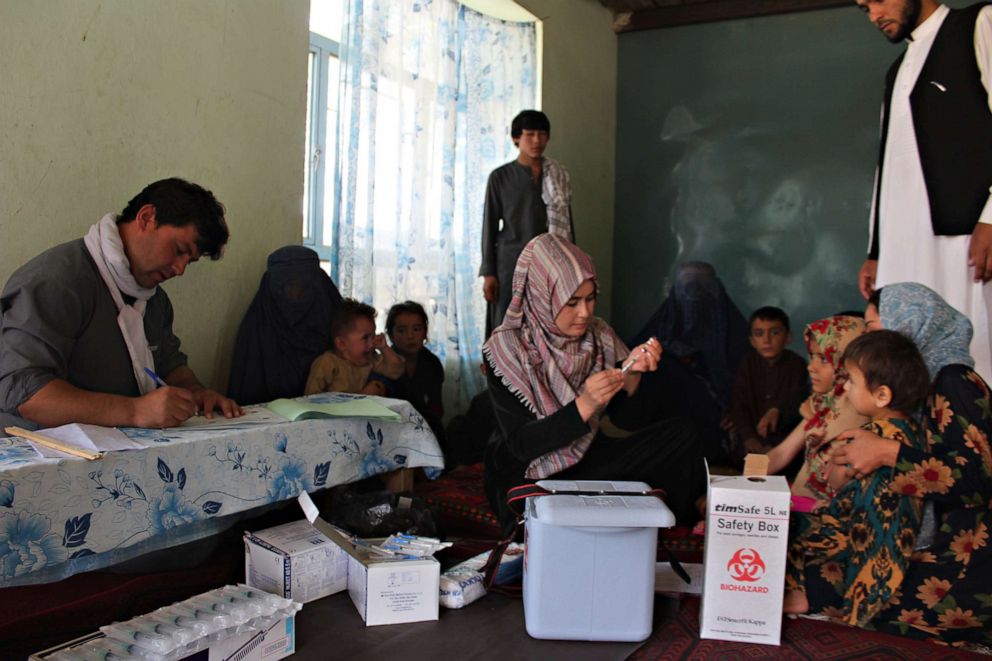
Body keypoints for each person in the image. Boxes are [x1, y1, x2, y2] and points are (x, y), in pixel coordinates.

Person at [482, 234, 703, 534]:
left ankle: (673, 526)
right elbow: (521, 445)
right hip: (530, 471)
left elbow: (629, 420)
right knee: (533, 506)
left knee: (682, 433)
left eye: (590, 298)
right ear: (541, 295)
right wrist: (584, 405)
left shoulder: (599, 336)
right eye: (571, 302)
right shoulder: (507, 348)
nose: (585, 313)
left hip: (587, 456)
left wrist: (634, 376)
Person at [0, 177, 241, 430]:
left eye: (189, 262)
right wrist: (134, 411)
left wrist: (195, 393)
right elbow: (25, 393)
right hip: (41, 456)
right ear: (146, 218)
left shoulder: (154, 299)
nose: (180, 269)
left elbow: (169, 365)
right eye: (179, 249)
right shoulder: (56, 281)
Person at [828, 282, 992, 647]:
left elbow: (978, 478)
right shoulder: (918, 388)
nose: (870, 338)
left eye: (872, 327)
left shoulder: (955, 380)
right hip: (946, 540)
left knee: (870, 600)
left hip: (972, 549)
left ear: (910, 322)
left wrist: (888, 453)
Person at [856, 0, 992, 381]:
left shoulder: (977, 24)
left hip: (964, 241)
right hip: (903, 252)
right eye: (863, 8)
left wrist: (990, 217)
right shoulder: (897, 70)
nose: (874, 16)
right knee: (908, 371)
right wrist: (876, 250)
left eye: (878, 1)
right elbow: (890, 163)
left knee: (975, 354)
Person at [783, 329, 930, 621]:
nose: (846, 388)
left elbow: (845, 489)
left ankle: (802, 594)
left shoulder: (879, 442)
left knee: (782, 532)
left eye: (851, 381)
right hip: (863, 537)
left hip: (859, 547)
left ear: (882, 395)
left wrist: (860, 608)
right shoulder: (906, 434)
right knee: (786, 525)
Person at [629, 262, 751, 462]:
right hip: (667, 449)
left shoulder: (739, 340)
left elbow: (753, 391)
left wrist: (740, 415)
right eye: (687, 288)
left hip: (724, 451)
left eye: (703, 288)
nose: (694, 296)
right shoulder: (651, 345)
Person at [479, 110, 574, 337]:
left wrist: (572, 266)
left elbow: (568, 224)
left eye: (542, 134)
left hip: (550, 264)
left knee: (545, 324)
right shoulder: (500, 177)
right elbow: (489, 226)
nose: (537, 140)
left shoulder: (558, 176)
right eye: (529, 134)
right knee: (505, 324)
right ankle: (499, 373)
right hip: (510, 263)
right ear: (516, 138)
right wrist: (489, 273)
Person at [765, 315, 868, 503]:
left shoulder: (862, 411)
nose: (812, 367)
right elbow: (781, 454)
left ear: (847, 361)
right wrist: (733, 485)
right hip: (802, 503)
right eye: (812, 356)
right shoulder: (822, 403)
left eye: (824, 358)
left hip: (828, 516)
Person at [228, 245, 342, 405]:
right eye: (288, 287)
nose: (296, 295)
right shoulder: (257, 333)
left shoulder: (337, 324)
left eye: (303, 288)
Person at [724, 306, 808, 461]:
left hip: (783, 438)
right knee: (744, 459)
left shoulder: (797, 364)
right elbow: (738, 404)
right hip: (749, 437)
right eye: (759, 334)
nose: (767, 340)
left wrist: (777, 410)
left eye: (775, 332)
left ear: (788, 337)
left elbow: (796, 401)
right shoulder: (747, 364)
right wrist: (749, 437)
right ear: (752, 341)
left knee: (786, 458)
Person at [304, 298, 405, 397]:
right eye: (365, 338)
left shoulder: (371, 360)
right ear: (341, 343)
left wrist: (384, 348)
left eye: (373, 337)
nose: (371, 344)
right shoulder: (327, 362)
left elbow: (396, 371)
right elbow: (310, 397)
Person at [385, 301, 445, 442]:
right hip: (390, 429)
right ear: (391, 335)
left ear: (425, 332)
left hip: (425, 428)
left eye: (417, 329)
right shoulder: (383, 362)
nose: (410, 336)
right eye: (402, 330)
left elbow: (437, 408)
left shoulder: (432, 363)